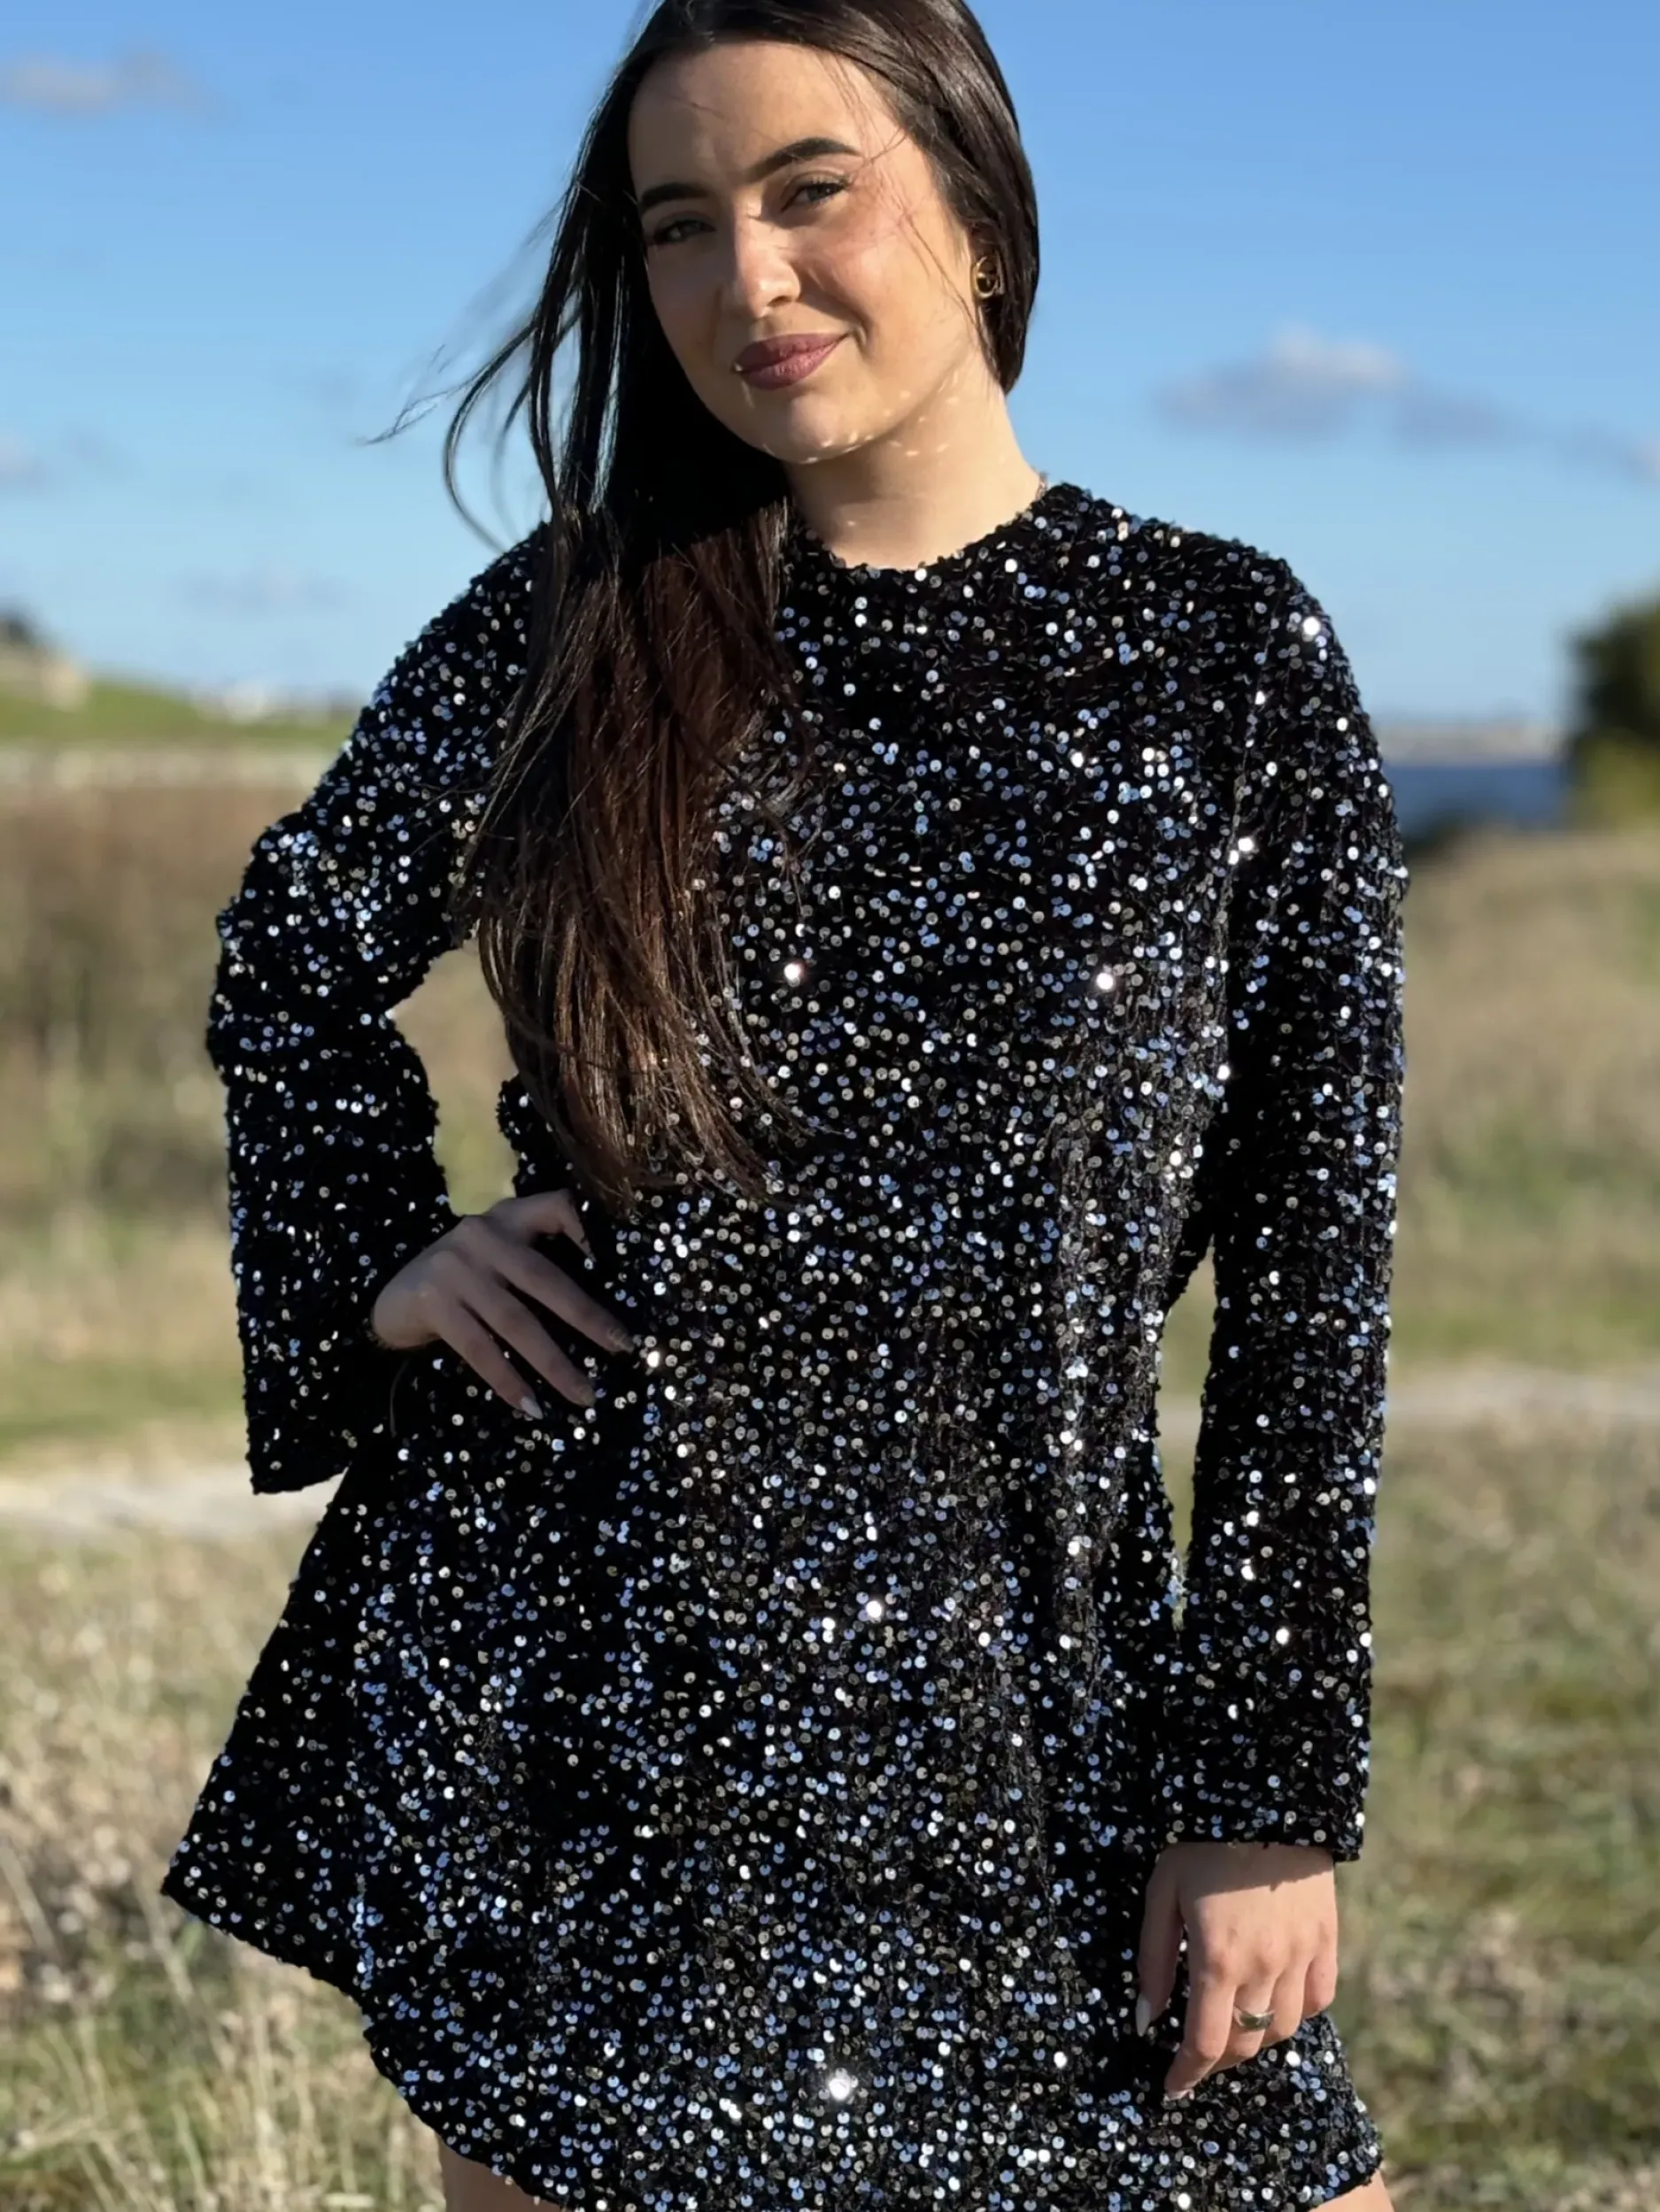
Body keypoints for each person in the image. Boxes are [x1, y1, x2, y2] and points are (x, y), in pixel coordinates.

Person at [161, 4, 1408, 2208]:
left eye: (807, 190)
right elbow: (290, 952)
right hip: (603, 1706)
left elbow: (1315, 1284)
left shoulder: (1224, 660)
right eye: (678, 224)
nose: (746, 278)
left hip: (1037, 1705)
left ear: (979, 207)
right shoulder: (583, 626)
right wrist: (379, 1255)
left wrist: (1265, 1789)